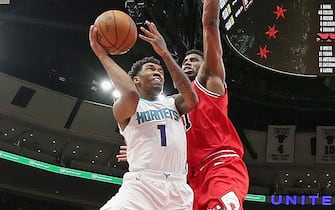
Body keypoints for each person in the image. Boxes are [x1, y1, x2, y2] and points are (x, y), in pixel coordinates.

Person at [117, 0, 249, 209]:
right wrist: (138, 149)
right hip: (190, 179)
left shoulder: (210, 80)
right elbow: (164, 140)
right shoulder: (173, 105)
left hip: (220, 166)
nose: (188, 62)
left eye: (195, 60)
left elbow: (210, 23)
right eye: (186, 60)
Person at [89, 18, 198, 210]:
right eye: (151, 69)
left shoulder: (173, 102)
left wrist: (165, 54)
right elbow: (130, 93)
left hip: (178, 190)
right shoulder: (126, 107)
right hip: (142, 187)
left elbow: (192, 98)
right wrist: (102, 55)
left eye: (160, 71)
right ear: (136, 80)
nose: (158, 72)